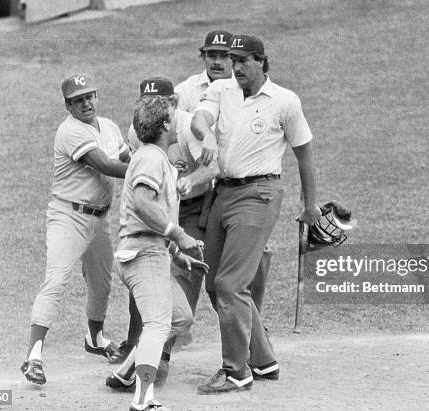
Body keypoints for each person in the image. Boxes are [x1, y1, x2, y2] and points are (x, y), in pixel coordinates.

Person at [190, 34, 322, 394]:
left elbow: (305, 156)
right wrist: (206, 137)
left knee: (230, 284)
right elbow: (200, 119)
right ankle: (262, 359)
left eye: (243, 61)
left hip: (259, 194)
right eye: (233, 61)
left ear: (262, 61)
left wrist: (309, 206)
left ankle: (236, 371)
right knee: (214, 280)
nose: (236, 67)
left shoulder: (285, 101)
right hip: (222, 194)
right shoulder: (221, 90)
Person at [105, 77, 218, 389]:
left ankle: (125, 373)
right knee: (157, 323)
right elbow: (142, 203)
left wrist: (177, 254)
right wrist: (178, 234)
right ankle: (143, 397)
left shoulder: (166, 145)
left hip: (157, 246)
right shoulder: (152, 156)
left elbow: (212, 168)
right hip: (143, 251)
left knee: (180, 316)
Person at [21, 74, 128, 385]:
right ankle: (33, 357)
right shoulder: (69, 132)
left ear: (96, 96)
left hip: (100, 219)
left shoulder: (108, 127)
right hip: (69, 217)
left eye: (90, 96)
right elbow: (106, 166)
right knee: (56, 279)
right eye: (78, 100)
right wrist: (151, 168)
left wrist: (147, 160)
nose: (86, 103)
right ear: (68, 105)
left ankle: (96, 339)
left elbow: (125, 157)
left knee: (102, 282)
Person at [176, 29, 273, 313]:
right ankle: (179, 331)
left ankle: (251, 325)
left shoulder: (247, 88)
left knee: (257, 257)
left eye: (223, 56)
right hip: (199, 195)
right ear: (203, 56)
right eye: (211, 55)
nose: (217, 62)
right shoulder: (184, 92)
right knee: (199, 266)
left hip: (238, 188)